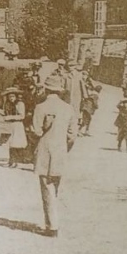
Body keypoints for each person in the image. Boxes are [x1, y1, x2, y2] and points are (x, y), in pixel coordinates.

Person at [31, 76, 77, 238]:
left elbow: (36, 131)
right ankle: (51, 222)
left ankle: (52, 226)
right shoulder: (68, 108)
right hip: (60, 151)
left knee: (46, 189)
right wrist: (64, 148)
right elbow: (72, 135)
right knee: (54, 187)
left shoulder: (40, 107)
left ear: (47, 89)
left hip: (45, 150)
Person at [2, 89, 28, 166]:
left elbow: (22, 116)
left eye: (13, 96)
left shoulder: (20, 104)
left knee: (16, 143)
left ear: (16, 96)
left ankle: (16, 161)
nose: (11, 98)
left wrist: (9, 117)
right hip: (11, 125)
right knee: (11, 143)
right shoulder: (8, 104)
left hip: (18, 125)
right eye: (10, 96)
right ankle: (11, 161)